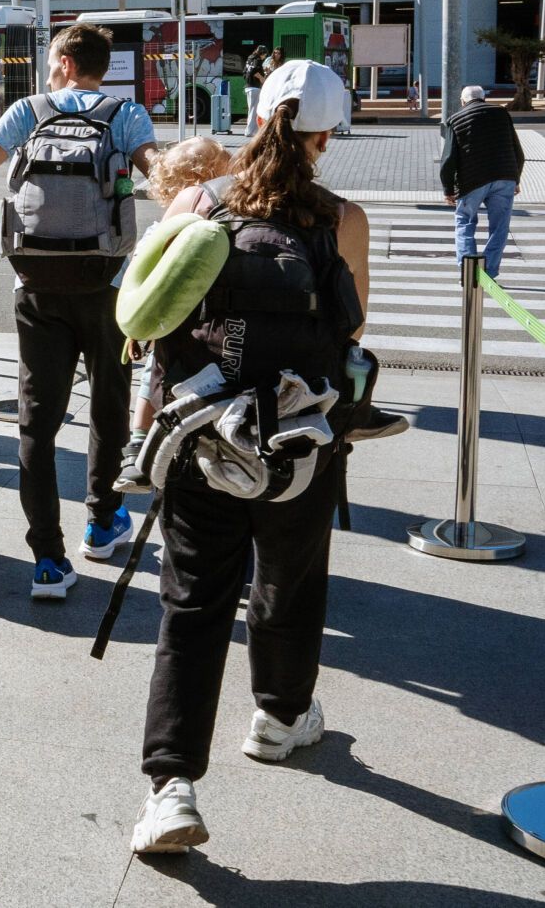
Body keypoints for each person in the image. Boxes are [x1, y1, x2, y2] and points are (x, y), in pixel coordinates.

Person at [128, 60, 371, 856]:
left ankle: (170, 789)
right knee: (290, 581)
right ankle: (278, 716)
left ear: (257, 118)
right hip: (299, 441)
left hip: (202, 435)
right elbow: (353, 330)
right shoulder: (341, 218)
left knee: (193, 602)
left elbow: (148, 309)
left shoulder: (198, 201)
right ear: (323, 137)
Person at [0, 24, 158, 599]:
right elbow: (162, 178)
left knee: (36, 424)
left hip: (36, 286)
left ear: (66, 62)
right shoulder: (125, 115)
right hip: (107, 287)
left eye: (50, 59)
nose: (46, 70)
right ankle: (101, 521)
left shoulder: (28, 111)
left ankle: (47, 559)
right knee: (109, 406)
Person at [115, 135, 234, 494]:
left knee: (152, 376)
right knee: (155, 373)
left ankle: (138, 442)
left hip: (167, 314)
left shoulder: (167, 224)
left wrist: (135, 330)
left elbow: (135, 281)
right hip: (182, 316)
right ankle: (138, 443)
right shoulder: (203, 214)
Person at [440, 84, 524, 276]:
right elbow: (517, 149)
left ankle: (469, 274)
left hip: (472, 179)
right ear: (483, 98)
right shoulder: (502, 114)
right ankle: (489, 272)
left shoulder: (456, 119)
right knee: (500, 227)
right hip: (504, 176)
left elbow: (448, 159)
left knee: (464, 221)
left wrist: (448, 190)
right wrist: (516, 178)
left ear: (463, 101)